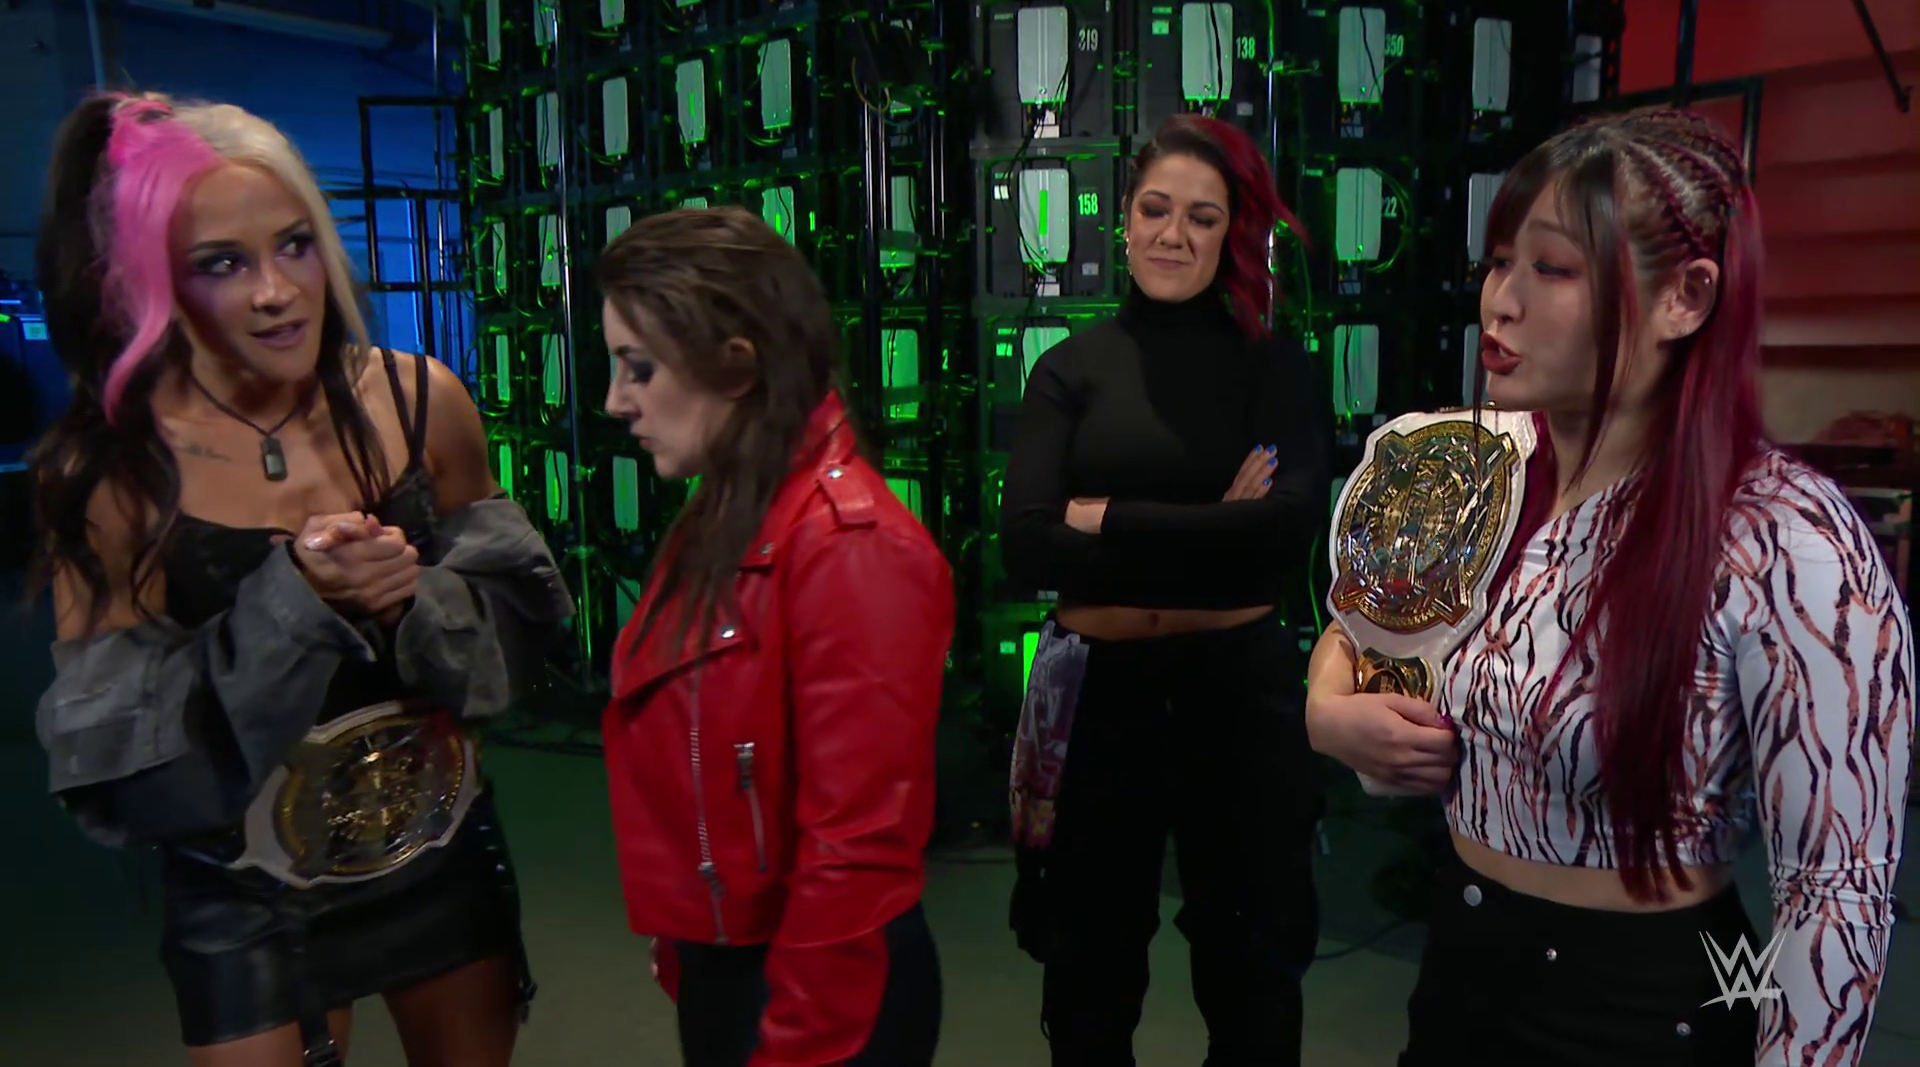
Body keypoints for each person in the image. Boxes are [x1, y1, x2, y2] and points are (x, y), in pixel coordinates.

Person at [1307, 107, 1914, 1067]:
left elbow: (1833, 889)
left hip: (1649, 1008)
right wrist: (1327, 712)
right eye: (1498, 263)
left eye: (1552, 269)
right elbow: (1362, 626)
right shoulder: (1469, 466)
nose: (1499, 303)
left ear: (1686, 296)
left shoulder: (1784, 539)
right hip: (1460, 973)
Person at [29, 91, 574, 1067]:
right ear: (154, 282)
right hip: (244, 887)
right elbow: (128, 767)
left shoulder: (419, 401)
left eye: (295, 245)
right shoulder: (110, 471)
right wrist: (295, 604)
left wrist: (412, 596)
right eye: (222, 264)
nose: (277, 292)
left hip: (435, 845)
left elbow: (528, 632)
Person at [1000, 113, 1330, 1067]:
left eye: (1201, 217)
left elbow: (1284, 533)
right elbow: (1025, 547)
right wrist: (1214, 528)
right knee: (1087, 977)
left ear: (1233, 233)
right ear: (1125, 217)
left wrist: (1106, 517)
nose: (1172, 235)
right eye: (1155, 209)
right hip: (1098, 697)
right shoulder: (1068, 368)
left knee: (1252, 974)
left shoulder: (1273, 365)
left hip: (1237, 692)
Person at [598, 206, 954, 1067]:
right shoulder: (725, 510)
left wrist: (797, 1043)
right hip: (739, 964)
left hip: (821, 990)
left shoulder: (850, 548)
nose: (615, 401)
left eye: (639, 367)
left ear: (736, 363)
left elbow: (856, 854)